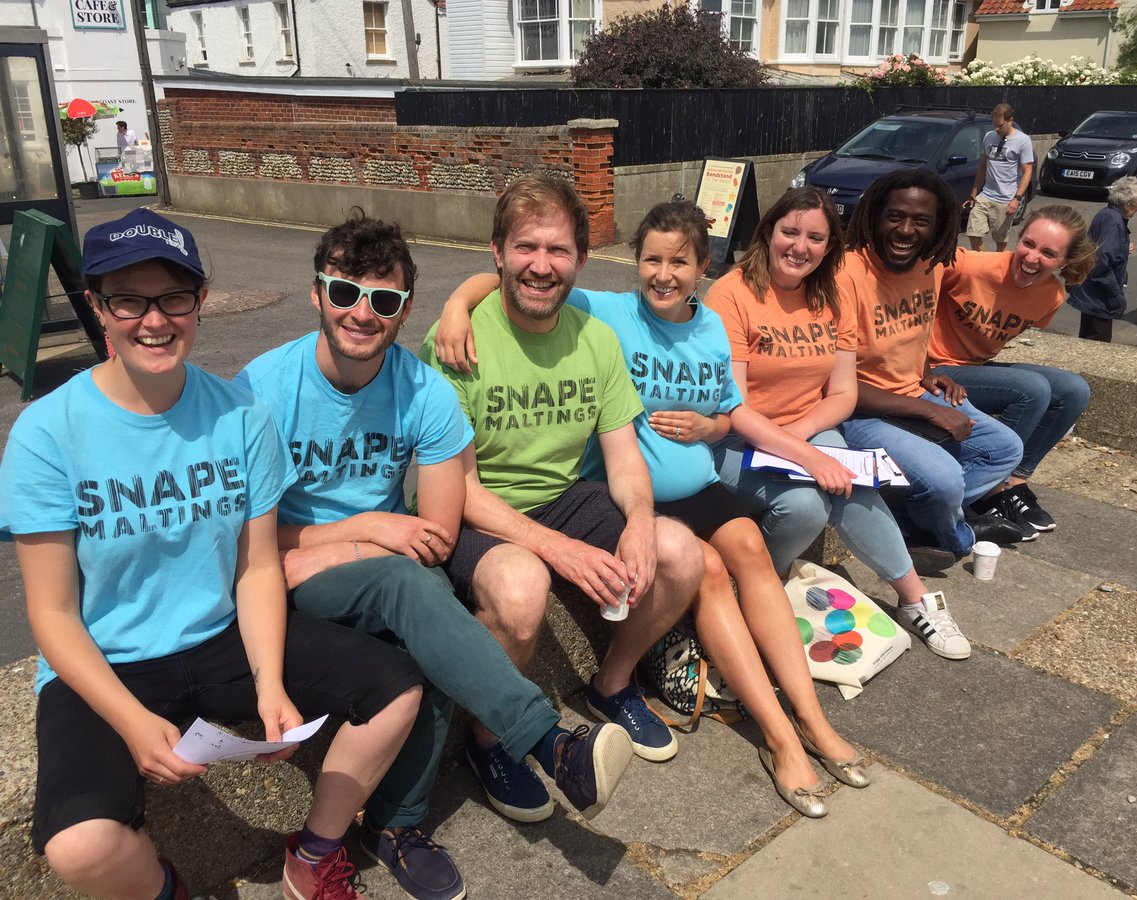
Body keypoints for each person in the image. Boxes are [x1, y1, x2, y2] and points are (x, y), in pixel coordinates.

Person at [0, 208, 426, 900]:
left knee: (397, 688)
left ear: (200, 301)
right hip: (107, 660)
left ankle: (314, 852)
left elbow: (257, 567)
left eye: (174, 298)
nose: (154, 320)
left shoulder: (240, 415)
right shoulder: (47, 434)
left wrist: (269, 687)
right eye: (128, 300)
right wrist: (131, 720)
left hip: (221, 637)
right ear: (98, 307)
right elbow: (51, 614)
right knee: (80, 847)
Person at [236, 212, 634, 900]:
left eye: (384, 301)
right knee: (411, 584)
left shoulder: (425, 390)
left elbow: (439, 533)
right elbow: (248, 545)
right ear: (316, 294)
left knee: (432, 618)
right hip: (297, 578)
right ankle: (546, 743)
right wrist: (365, 530)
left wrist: (377, 540)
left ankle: (396, 824)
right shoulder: (261, 391)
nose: (362, 314)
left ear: (406, 310)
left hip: (382, 570)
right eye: (344, 293)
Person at [435, 199, 871, 817]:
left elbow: (729, 411)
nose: (664, 273)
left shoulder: (710, 323)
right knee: (707, 568)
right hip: (616, 495)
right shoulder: (607, 312)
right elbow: (524, 274)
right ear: (632, 262)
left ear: (704, 268)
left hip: (685, 486)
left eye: (680, 262)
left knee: (744, 548)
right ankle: (780, 738)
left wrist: (714, 426)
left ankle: (811, 720)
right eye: (651, 260)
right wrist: (457, 303)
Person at [419, 175, 704, 802]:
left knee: (681, 553)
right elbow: (457, 488)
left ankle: (612, 684)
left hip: (563, 497)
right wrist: (560, 550)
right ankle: (491, 740)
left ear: (580, 257)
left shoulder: (595, 338)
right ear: (497, 253)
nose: (541, 266)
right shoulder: (457, 344)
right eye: (526, 248)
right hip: (477, 509)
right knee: (522, 590)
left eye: (558, 250)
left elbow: (624, 457)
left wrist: (637, 521)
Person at [700, 187, 971, 661]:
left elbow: (843, 395)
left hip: (805, 425)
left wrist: (803, 440)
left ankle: (915, 598)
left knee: (851, 479)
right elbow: (735, 406)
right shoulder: (733, 293)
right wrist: (806, 454)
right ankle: (760, 585)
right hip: (736, 438)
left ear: (830, 247)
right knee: (805, 507)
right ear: (768, 232)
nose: (799, 247)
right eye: (789, 232)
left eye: (815, 237)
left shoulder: (832, 295)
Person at [837, 170, 1027, 554]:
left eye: (921, 220)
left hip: (914, 392)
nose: (905, 230)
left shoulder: (932, 265)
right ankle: (961, 535)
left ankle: (909, 522)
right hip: (856, 412)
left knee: (1006, 449)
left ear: (938, 227)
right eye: (894, 216)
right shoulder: (845, 275)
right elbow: (834, 386)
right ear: (874, 216)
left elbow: (910, 333)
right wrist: (927, 412)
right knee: (944, 479)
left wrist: (928, 373)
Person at [929, 206, 1098, 532]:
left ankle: (1014, 481)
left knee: (1074, 389)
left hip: (975, 370)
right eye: (1028, 244)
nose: (1032, 258)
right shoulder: (971, 266)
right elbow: (916, 283)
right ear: (1017, 240)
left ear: (1065, 262)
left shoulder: (1051, 297)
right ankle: (989, 485)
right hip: (936, 368)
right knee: (1032, 389)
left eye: (1048, 253)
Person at [1067, 176, 1137, 343]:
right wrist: (1116, 296)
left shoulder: (1106, 214)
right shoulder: (1114, 221)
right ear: (1128, 204)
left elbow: (1101, 247)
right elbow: (1101, 263)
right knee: (1098, 343)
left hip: (1092, 296)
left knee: (1087, 339)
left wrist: (1122, 248)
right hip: (1099, 298)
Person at [963, 103, 1034, 252]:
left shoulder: (1023, 140)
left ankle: (996, 269)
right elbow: (983, 166)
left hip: (1006, 200)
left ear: (1010, 120)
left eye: (1000, 125)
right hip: (985, 196)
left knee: (1000, 242)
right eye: (994, 125)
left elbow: (1027, 172)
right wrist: (973, 194)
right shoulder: (989, 137)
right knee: (973, 233)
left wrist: (1017, 198)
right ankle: (985, 265)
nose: (996, 129)